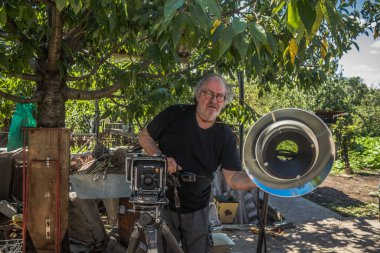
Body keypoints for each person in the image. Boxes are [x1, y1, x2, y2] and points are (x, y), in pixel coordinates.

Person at [138, 73, 256, 253]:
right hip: (165, 202)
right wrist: (160, 157)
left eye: (220, 96)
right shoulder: (174, 114)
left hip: (197, 207)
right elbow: (144, 136)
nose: (214, 100)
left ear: (224, 101)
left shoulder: (225, 135)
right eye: (209, 93)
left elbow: (233, 179)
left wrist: (261, 180)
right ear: (198, 95)